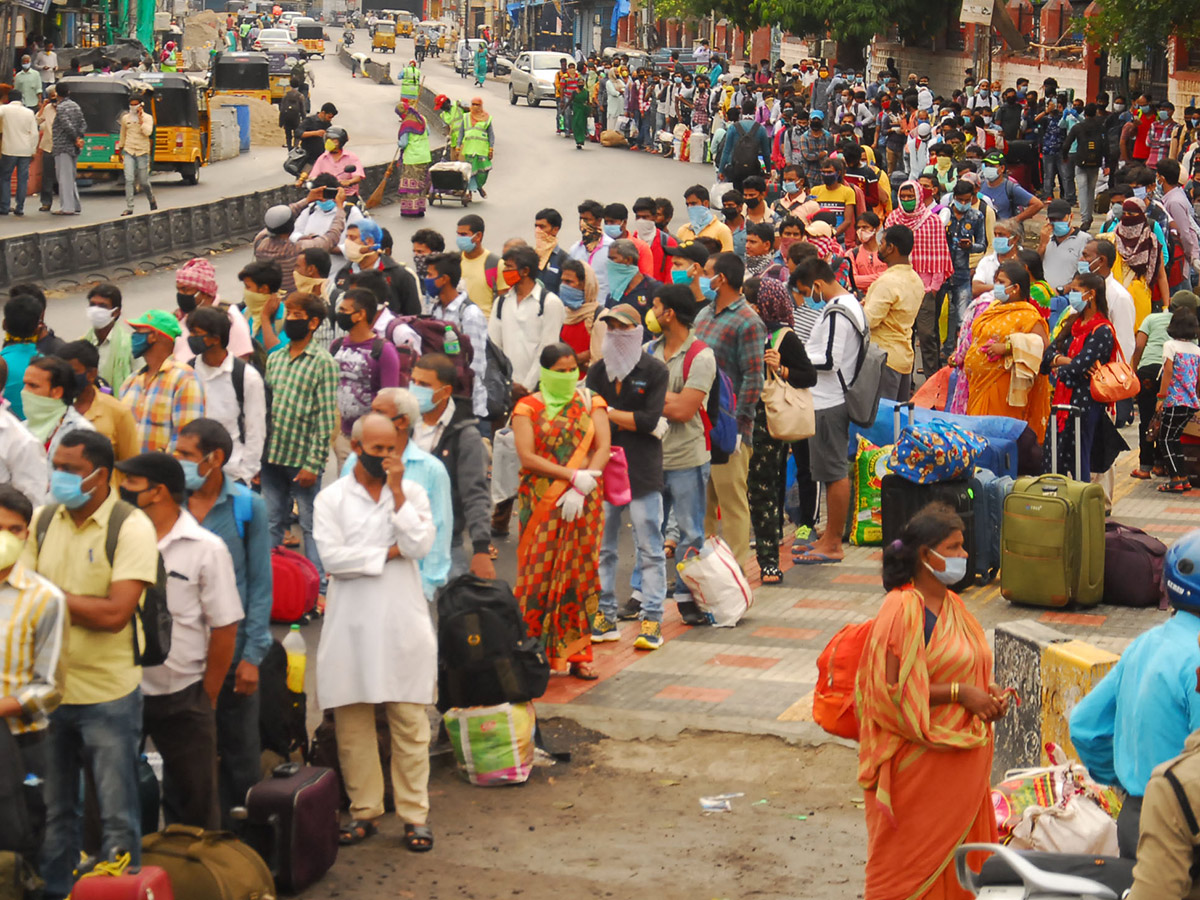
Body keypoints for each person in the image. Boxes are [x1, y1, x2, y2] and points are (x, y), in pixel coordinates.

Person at [27, 430, 159, 898]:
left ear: (101, 476)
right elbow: (19, 600)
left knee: (116, 813)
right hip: (48, 692)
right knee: (56, 809)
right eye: (56, 466)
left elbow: (115, 613)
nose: (59, 476)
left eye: (71, 470)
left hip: (107, 693)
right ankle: (60, 891)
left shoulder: (130, 526)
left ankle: (120, 891)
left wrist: (51, 598)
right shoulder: (44, 520)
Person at [857, 504, 1008, 900]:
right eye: (954, 547)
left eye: (962, 547)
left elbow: (964, 669)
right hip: (918, 772)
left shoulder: (955, 606)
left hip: (962, 772)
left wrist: (987, 693)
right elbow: (888, 691)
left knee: (961, 876)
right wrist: (962, 695)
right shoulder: (901, 609)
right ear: (927, 555)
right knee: (908, 878)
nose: (963, 556)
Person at [314, 412, 436, 852]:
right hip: (351, 626)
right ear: (357, 446)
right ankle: (364, 811)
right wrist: (387, 553)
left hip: (402, 623)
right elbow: (333, 560)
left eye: (392, 449)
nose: (385, 457)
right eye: (377, 449)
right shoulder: (331, 500)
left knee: (409, 723)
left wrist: (399, 495)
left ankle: (414, 815)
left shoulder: (414, 493)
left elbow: (420, 545)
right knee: (353, 725)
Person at [115, 451, 240, 828]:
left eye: (130, 484)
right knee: (111, 800)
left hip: (182, 691)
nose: (120, 490)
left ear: (158, 493)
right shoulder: (115, 538)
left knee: (194, 805)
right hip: (121, 690)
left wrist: (208, 694)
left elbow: (225, 625)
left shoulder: (206, 548)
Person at [1073, 524, 1200, 859]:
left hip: (1135, 819)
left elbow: (1084, 726)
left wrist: (1131, 780)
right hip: (1184, 832)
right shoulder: (1196, 659)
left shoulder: (1145, 643)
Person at [175, 421, 271, 835]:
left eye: (184, 454)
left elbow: (260, 586)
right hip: (179, 658)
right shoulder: (166, 505)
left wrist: (252, 656)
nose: (176, 460)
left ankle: (243, 855)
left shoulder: (246, 507)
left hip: (231, 654)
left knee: (239, 757)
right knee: (184, 760)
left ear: (213, 460)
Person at [512, 343, 610, 678]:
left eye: (573, 370)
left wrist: (585, 483)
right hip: (541, 502)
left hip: (585, 500)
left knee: (579, 576)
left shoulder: (589, 400)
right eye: (561, 371)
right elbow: (527, 456)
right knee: (536, 578)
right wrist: (570, 475)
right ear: (545, 372)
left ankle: (579, 655)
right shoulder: (527, 408)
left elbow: (603, 446)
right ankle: (530, 654)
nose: (569, 376)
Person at [585, 304, 669, 649]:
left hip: (642, 468)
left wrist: (605, 411)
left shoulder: (654, 371)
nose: (616, 335)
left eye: (622, 328)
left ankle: (652, 618)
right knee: (602, 547)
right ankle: (604, 614)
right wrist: (616, 416)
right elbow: (589, 418)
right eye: (610, 329)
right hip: (604, 468)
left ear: (636, 332)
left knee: (649, 547)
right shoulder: (597, 372)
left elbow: (649, 421)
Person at [0, 482, 65, 862]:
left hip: (22, 743)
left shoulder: (45, 599)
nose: (6, 538)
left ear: (27, 534)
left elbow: (49, 688)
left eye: (14, 529)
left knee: (19, 845)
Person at [262, 292, 338, 604]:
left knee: (310, 525)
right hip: (271, 456)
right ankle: (270, 584)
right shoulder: (276, 357)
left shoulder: (324, 363)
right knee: (271, 521)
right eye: (287, 313)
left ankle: (317, 586)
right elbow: (266, 409)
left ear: (313, 322)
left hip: (302, 458)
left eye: (294, 315)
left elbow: (325, 418)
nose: (288, 319)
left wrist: (314, 463)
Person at [791, 257, 864, 567]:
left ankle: (833, 543)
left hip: (829, 401)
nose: (808, 298)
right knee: (828, 471)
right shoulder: (849, 305)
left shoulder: (837, 312)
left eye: (807, 291)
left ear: (818, 284)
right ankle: (829, 535)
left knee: (833, 473)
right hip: (826, 399)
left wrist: (794, 360)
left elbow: (830, 360)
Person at [694, 252, 764, 573]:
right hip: (700, 423)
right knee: (702, 503)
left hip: (729, 426)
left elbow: (753, 376)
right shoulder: (705, 316)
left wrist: (739, 426)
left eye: (706, 272)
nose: (701, 277)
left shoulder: (748, 321)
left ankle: (735, 571)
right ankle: (705, 568)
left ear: (720, 278)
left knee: (731, 500)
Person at [746, 278, 816, 583]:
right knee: (756, 485)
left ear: (762, 306)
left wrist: (781, 367)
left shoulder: (782, 337)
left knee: (765, 485)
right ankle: (768, 535)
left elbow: (808, 375)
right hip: (740, 418)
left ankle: (769, 555)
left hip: (769, 420)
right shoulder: (741, 332)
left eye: (748, 302)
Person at [409, 356, 493, 579]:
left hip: (445, 542)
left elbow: (475, 494)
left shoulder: (465, 436)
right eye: (413, 382)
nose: (415, 389)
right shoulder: (404, 424)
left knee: (455, 607)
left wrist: (481, 549)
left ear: (445, 392)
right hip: (402, 537)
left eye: (424, 385)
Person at [962, 260, 1052, 442]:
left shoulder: (1028, 315)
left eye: (1001, 282)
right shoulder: (993, 308)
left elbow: (1042, 346)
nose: (996, 286)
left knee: (998, 439)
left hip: (1003, 386)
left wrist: (1007, 348)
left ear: (1016, 288)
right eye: (996, 281)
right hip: (978, 385)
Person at [1043, 272, 1115, 480]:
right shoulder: (1073, 323)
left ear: (1090, 295)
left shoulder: (1102, 330)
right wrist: (1063, 360)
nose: (1070, 295)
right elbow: (1048, 355)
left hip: (1085, 402)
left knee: (1078, 455)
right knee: (1054, 453)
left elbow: (1077, 369)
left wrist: (1063, 363)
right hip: (1062, 401)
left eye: (1075, 291)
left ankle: (1079, 502)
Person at [184, 307, 267, 485]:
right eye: (190, 332)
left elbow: (256, 428)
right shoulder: (187, 373)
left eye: (197, 333)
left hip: (233, 474)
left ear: (215, 338)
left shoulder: (245, 377)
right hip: (192, 473)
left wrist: (247, 472)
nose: (191, 339)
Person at [885, 180, 954, 378]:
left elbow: (940, 255)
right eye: (903, 197)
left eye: (910, 196)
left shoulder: (931, 221)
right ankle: (905, 379)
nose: (907, 200)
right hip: (899, 289)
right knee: (903, 336)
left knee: (927, 335)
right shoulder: (892, 220)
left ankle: (933, 380)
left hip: (925, 289)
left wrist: (934, 287)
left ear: (918, 197)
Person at [331, 288, 401, 470]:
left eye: (344, 311)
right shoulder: (336, 346)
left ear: (360, 314)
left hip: (371, 440)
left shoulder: (383, 350)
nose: (339, 315)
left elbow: (389, 399)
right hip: (344, 438)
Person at [1132, 290, 1197, 480]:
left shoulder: (1152, 318)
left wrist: (1133, 370)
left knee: (1147, 420)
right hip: (1173, 380)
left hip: (1148, 372)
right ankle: (1161, 466)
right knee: (1166, 421)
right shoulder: (1190, 329)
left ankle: (1145, 467)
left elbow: (1138, 346)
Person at [119, 311, 205, 454]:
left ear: (154, 336)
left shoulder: (184, 379)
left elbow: (187, 437)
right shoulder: (132, 381)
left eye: (139, 331)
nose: (133, 337)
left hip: (162, 473)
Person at [420, 252, 489, 421]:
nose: (426, 279)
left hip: (467, 406)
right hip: (443, 402)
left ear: (444, 279)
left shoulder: (469, 314)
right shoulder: (435, 310)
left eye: (430, 275)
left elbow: (476, 365)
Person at [489, 246, 565, 392]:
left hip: (538, 387)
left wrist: (527, 387)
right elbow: (494, 347)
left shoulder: (549, 303)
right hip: (507, 388)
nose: (504, 272)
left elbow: (547, 349)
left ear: (525, 271)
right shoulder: (501, 302)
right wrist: (505, 384)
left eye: (509, 267)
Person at [862, 225, 925, 401]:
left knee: (881, 420)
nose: (879, 247)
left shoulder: (888, 281)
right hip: (904, 358)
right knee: (897, 418)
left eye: (882, 243)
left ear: (891, 248)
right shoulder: (916, 279)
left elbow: (869, 320)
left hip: (884, 359)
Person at [1154, 308, 1200, 494]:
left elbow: (1168, 372)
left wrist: (1161, 397)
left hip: (1174, 400)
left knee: (1165, 439)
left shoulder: (1170, 346)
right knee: (1175, 438)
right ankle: (1183, 477)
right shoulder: (1197, 350)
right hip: (1191, 402)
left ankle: (1175, 479)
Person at [22, 355, 93, 471]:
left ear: (57, 392)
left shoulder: (81, 434)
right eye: (25, 384)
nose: (25, 392)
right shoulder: (20, 429)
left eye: (33, 386)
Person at [177, 257, 255, 361]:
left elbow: (242, 358)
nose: (181, 295)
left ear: (204, 292)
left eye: (186, 290)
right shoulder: (181, 317)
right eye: (179, 290)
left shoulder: (230, 317)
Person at [1108, 197, 1171, 321]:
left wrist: (1166, 307)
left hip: (1141, 301)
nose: (1126, 217)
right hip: (1113, 300)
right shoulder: (1111, 239)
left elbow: (1161, 276)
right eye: (1124, 213)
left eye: (1131, 214)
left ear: (1142, 215)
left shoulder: (1151, 243)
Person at [82, 283, 134, 391]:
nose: (95, 310)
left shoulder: (129, 346)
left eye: (102, 306)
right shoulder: (83, 343)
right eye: (92, 305)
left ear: (116, 312)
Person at [0, 85, 38, 217]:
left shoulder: (4, 109)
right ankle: (20, 207)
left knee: (5, 177)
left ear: (8, 99)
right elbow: (34, 134)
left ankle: (4, 206)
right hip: (25, 150)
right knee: (23, 179)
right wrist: (32, 149)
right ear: (21, 99)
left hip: (9, 149)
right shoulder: (29, 113)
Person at [1039, 198, 1091, 292]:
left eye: (1060, 219)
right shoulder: (1048, 240)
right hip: (1047, 295)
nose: (1056, 223)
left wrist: (1062, 290)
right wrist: (1042, 244)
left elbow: (1085, 273)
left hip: (1068, 295)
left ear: (1071, 217)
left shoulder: (1084, 239)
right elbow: (1035, 265)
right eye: (1053, 220)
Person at [116, 93, 155, 216]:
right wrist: (119, 150)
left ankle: (151, 199)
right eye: (131, 105)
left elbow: (148, 132)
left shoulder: (148, 118)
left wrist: (140, 120)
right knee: (129, 179)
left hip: (142, 152)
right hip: (129, 150)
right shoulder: (125, 118)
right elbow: (122, 134)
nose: (133, 107)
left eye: (135, 105)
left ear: (141, 105)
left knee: (144, 181)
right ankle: (129, 207)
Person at [50, 83, 85, 216]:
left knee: (64, 177)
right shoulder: (75, 105)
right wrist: (79, 138)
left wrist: (75, 138)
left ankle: (67, 207)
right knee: (70, 176)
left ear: (57, 93)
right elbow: (82, 123)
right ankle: (75, 205)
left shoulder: (61, 107)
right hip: (74, 147)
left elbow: (66, 125)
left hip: (62, 146)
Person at [978, 151, 1043, 223]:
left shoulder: (1010, 187)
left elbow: (1037, 204)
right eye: (986, 166)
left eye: (992, 166)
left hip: (1002, 231)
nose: (988, 169)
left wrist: (1015, 220)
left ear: (1002, 168)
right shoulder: (980, 186)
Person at [456, 214, 500, 314]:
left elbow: (502, 299)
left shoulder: (494, 263)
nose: (459, 239)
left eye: (463, 235)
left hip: (486, 324)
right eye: (458, 234)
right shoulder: (454, 261)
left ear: (478, 236)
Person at [395, 99, 431, 218]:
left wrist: (399, 143)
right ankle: (420, 208)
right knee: (420, 183)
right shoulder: (422, 119)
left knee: (411, 185)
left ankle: (411, 209)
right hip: (424, 156)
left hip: (412, 158)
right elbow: (428, 133)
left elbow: (403, 143)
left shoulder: (406, 124)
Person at [308, 126, 363, 203]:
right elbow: (313, 176)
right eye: (328, 140)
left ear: (341, 142)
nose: (329, 142)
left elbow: (357, 177)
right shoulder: (322, 158)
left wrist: (349, 182)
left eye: (334, 140)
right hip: (326, 196)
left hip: (346, 195)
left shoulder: (351, 157)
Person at [677, 184, 734, 251]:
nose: (690, 208)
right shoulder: (683, 231)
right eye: (687, 205)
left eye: (693, 204)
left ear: (705, 203)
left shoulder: (722, 230)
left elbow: (727, 258)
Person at [459, 97, 494, 200]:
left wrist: (491, 148)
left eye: (477, 105)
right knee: (469, 172)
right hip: (468, 149)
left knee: (483, 172)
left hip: (482, 150)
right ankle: (469, 192)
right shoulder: (465, 117)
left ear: (481, 106)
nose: (474, 107)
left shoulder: (487, 118)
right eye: (473, 104)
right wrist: (457, 146)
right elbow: (461, 133)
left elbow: (491, 135)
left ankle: (479, 186)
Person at [297, 102, 338, 177]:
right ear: (323, 113)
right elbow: (298, 133)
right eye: (329, 117)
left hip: (321, 160)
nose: (330, 119)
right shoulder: (310, 120)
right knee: (303, 180)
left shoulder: (328, 124)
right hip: (308, 159)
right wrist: (315, 133)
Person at [35, 84, 56, 213]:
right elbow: (37, 121)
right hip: (48, 145)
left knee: (65, 175)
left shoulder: (66, 107)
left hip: (63, 146)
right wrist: (43, 106)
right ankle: (46, 202)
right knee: (47, 176)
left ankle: (69, 203)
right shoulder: (47, 108)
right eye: (51, 97)